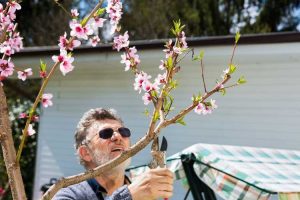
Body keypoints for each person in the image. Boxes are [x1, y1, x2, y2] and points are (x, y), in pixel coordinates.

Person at [53, 108, 174, 200]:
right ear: (85, 153)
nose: (118, 137)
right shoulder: (68, 195)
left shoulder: (145, 192)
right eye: (106, 133)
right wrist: (128, 195)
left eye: (123, 131)